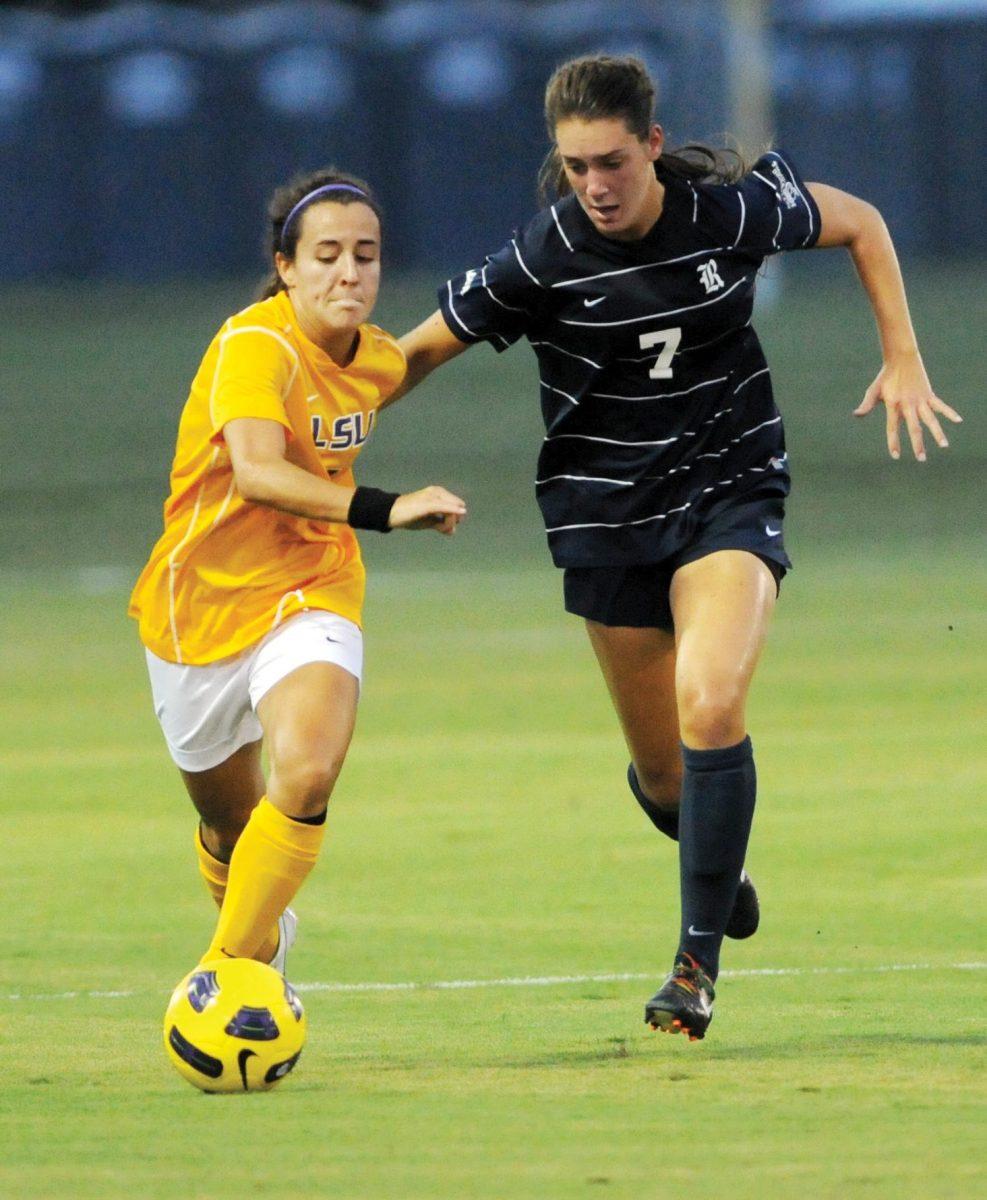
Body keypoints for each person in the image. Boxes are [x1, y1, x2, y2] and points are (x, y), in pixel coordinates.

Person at [393, 55, 961, 1040]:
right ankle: (710, 851)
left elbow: (860, 221)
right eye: (574, 167)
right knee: (667, 778)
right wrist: (310, 424)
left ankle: (694, 968)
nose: (595, 185)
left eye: (610, 160)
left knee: (713, 702)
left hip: (727, 492)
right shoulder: (543, 255)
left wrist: (902, 353)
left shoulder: (726, 216)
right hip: (604, 523)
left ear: (651, 146)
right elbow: (414, 354)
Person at [129, 169, 467, 979]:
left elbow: (412, 356)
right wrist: (387, 506)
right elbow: (255, 471)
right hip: (198, 606)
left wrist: (511, 290)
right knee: (229, 829)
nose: (348, 272)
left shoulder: (369, 356)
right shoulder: (256, 345)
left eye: (365, 254)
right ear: (286, 267)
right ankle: (256, 938)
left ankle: (225, 975)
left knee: (309, 770)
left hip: (312, 586)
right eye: (325, 256)